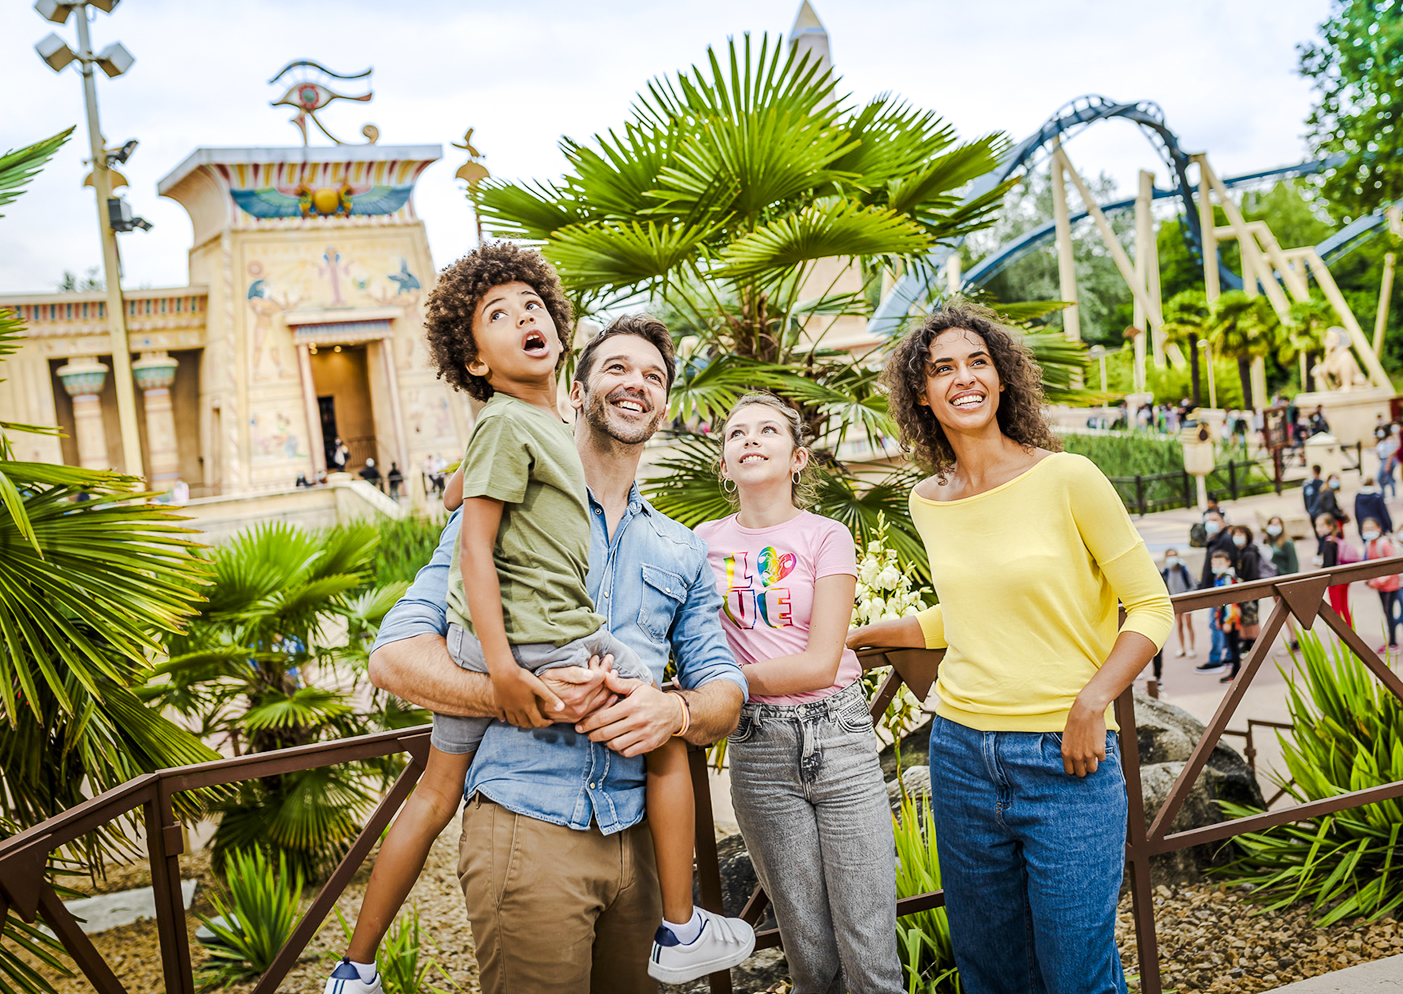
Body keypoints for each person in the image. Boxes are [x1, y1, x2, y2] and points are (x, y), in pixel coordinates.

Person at [360, 303, 751, 994]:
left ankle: (685, 932)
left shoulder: (683, 549)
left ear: (663, 406)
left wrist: (674, 713)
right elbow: (394, 655)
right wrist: (516, 696)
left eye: (654, 376)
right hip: (528, 824)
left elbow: (723, 685)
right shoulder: (503, 505)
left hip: (642, 838)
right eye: (618, 368)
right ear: (577, 391)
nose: (637, 383)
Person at [848, 303, 1174, 994]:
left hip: (1066, 758)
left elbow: (1150, 605)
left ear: (1002, 380)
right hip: (962, 754)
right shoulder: (927, 500)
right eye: (942, 369)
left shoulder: (1068, 478)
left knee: (1076, 976)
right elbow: (971, 610)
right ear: (920, 393)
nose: (962, 379)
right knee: (992, 974)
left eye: (977, 362)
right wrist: (880, 634)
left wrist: (1094, 701)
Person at [697, 392, 900, 993]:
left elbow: (818, 663)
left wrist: (719, 686)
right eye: (736, 433)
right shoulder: (696, 544)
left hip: (838, 737)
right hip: (759, 751)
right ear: (725, 462)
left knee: (871, 956)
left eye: (767, 431)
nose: (750, 440)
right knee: (809, 957)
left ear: (798, 458)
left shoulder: (826, 536)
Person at [1195, 509, 1236, 673]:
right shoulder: (1213, 539)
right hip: (1214, 586)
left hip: (1220, 587)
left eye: (1214, 519)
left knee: (1216, 622)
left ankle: (1216, 659)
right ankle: (1225, 655)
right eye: (1208, 520)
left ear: (1223, 522)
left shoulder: (1225, 539)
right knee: (1218, 623)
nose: (1210, 523)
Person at [1362, 519, 1403, 651]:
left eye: (1371, 528)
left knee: (1389, 612)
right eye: (1365, 529)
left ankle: (1393, 643)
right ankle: (1392, 640)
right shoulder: (1369, 544)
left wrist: (1378, 581)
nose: (1368, 531)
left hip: (1391, 584)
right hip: (1380, 585)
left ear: (1378, 528)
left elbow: (1392, 565)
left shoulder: (1383, 543)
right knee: (1386, 612)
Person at [1206, 549, 1246, 684]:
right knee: (1232, 646)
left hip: (1231, 618)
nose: (1216, 566)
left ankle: (1236, 674)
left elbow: (1230, 602)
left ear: (1228, 563)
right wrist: (1218, 618)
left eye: (1219, 563)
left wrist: (1228, 620)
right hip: (1224, 617)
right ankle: (1235, 672)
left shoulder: (1228, 578)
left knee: (1234, 647)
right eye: (1214, 563)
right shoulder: (1220, 577)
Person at [1315, 512, 1358, 627]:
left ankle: (1342, 637)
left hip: (1335, 582)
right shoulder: (1336, 539)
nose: (1318, 529)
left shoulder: (1329, 542)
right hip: (1343, 578)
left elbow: (1328, 565)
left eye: (1321, 526)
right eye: (1317, 526)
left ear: (1330, 526)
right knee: (1344, 607)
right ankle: (1350, 632)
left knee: (1336, 609)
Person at [1264, 517, 1302, 650]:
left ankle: (1295, 638)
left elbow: (1294, 564)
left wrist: (1291, 581)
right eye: (1271, 524)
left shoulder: (1287, 542)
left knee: (1287, 611)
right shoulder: (1269, 542)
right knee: (1283, 612)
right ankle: (1293, 637)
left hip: (1285, 581)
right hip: (1273, 581)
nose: (1274, 527)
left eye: (1277, 524)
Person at [1160, 549, 1196, 664]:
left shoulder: (1184, 570)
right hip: (1174, 601)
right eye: (1169, 556)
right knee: (1179, 624)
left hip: (1186, 600)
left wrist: (1188, 596)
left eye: (1174, 555)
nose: (1172, 558)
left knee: (1188, 623)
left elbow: (1193, 584)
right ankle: (1182, 648)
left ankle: (1191, 647)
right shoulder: (1165, 572)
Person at [1301, 465, 1327, 538]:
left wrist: (1309, 510)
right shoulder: (1322, 484)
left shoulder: (1310, 485)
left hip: (1316, 511)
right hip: (1317, 511)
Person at [1375, 426, 1399, 499]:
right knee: (1386, 478)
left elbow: (1390, 454)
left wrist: (1388, 465)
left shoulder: (1389, 440)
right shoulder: (1381, 441)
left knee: (1385, 477)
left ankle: (1392, 495)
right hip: (1383, 460)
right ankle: (1385, 494)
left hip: (1387, 461)